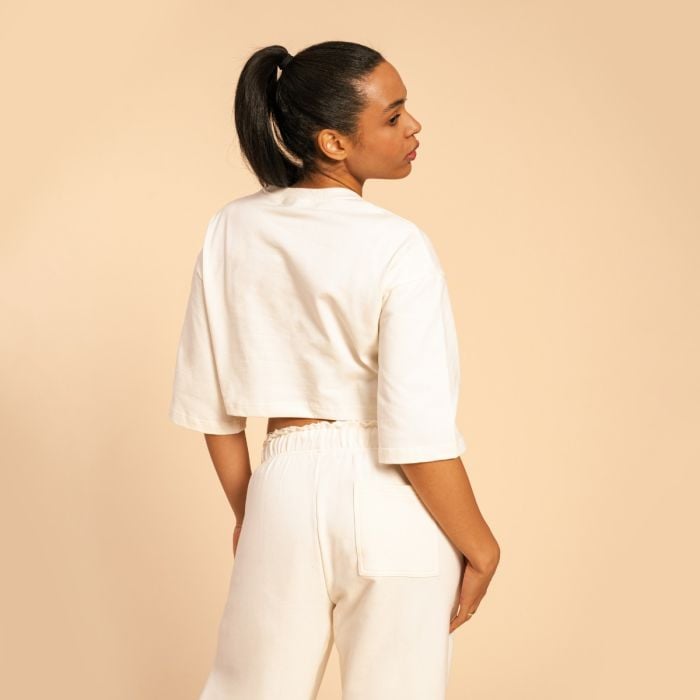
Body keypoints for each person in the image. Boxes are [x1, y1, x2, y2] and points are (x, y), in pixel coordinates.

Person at [168, 39, 500, 700]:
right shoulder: (398, 245)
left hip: (282, 485)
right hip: (392, 498)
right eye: (393, 116)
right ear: (334, 142)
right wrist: (482, 547)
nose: (414, 126)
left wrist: (254, 511)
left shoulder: (231, 229)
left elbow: (212, 407)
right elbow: (416, 432)